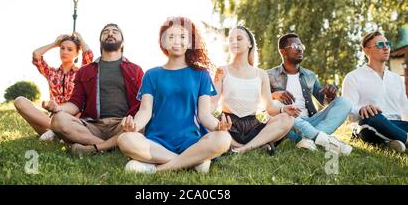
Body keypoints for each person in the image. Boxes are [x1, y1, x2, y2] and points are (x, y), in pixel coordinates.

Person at [117, 17, 232, 174]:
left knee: (224, 138)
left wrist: (218, 126)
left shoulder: (201, 74)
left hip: (191, 141)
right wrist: (134, 126)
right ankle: (191, 162)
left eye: (182, 36)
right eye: (171, 37)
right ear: (163, 42)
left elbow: (204, 114)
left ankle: (156, 169)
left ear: (190, 42)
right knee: (125, 139)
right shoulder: (151, 75)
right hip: (156, 142)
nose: (177, 41)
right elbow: (145, 110)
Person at [42, 23, 144, 155]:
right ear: (100, 42)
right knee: (58, 120)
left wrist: (132, 122)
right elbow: (76, 104)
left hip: (123, 124)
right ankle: (109, 147)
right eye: (106, 32)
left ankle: (93, 148)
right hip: (92, 125)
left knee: (142, 125)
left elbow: (143, 103)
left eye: (115, 32)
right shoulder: (86, 70)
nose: (110, 33)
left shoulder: (135, 70)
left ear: (123, 43)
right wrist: (59, 109)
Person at [213, 26, 298, 155]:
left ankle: (243, 149)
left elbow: (269, 107)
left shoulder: (261, 74)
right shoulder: (222, 70)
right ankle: (252, 146)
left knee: (288, 119)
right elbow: (213, 102)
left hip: (254, 126)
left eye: (239, 38)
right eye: (230, 40)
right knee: (206, 120)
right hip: (229, 126)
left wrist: (283, 109)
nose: (234, 42)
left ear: (249, 43)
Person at [267, 33, 353, 156]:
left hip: (310, 121)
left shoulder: (309, 75)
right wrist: (274, 94)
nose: (300, 48)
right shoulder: (269, 75)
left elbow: (324, 101)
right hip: (286, 125)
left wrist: (330, 95)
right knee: (276, 104)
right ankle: (321, 139)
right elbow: (261, 103)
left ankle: (308, 138)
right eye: (294, 45)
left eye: (301, 45)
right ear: (283, 51)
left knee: (344, 102)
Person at [14, 32, 93, 141]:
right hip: (52, 119)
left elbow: (88, 57)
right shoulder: (51, 73)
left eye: (70, 49)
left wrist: (81, 39)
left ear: (76, 54)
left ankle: (56, 133)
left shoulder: (81, 72)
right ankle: (55, 132)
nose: (64, 52)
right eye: (62, 48)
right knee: (20, 101)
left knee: (79, 112)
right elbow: (36, 55)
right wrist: (54, 44)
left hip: (73, 120)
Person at [342, 30, 408, 153]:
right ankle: (403, 139)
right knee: (373, 118)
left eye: (387, 44)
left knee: (393, 126)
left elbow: (405, 109)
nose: (386, 47)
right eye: (380, 45)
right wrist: (361, 109)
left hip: (395, 124)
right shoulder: (353, 77)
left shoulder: (397, 79)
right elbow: (347, 109)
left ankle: (390, 142)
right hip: (369, 123)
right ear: (367, 51)